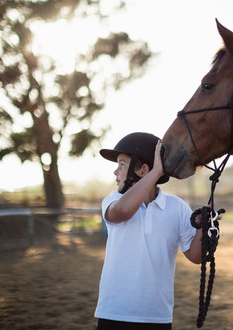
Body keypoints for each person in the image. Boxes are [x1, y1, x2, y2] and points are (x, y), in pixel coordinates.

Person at [95, 132, 204, 330]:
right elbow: (123, 211)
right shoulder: (112, 201)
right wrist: (156, 173)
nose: (115, 172)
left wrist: (204, 229)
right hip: (114, 312)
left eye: (121, 164)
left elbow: (196, 256)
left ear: (143, 169)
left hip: (157, 316)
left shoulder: (177, 207)